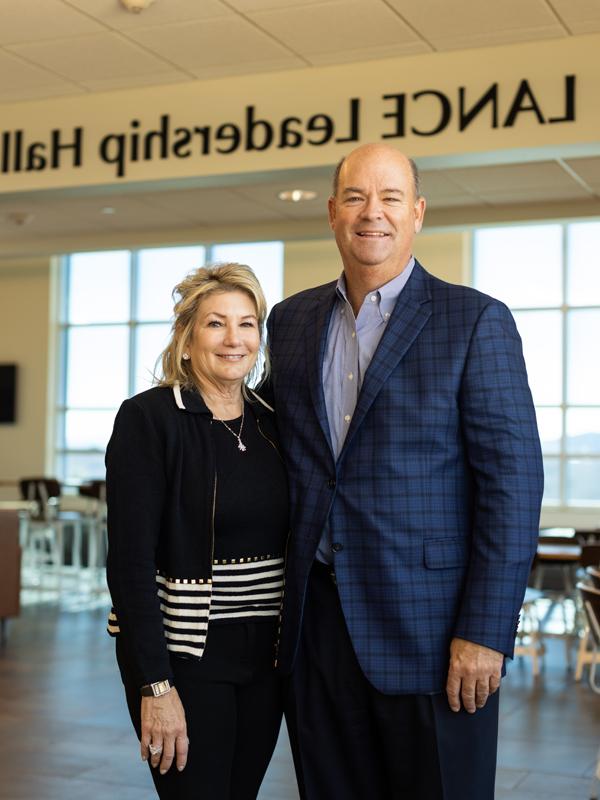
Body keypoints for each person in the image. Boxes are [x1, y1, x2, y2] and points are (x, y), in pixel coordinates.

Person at [265, 143, 544, 799]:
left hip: (434, 634)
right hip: (317, 629)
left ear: (417, 213)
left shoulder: (475, 320)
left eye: (390, 198)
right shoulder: (291, 322)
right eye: (357, 197)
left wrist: (484, 630)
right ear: (333, 212)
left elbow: (512, 486)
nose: (373, 214)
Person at [105, 263, 288, 800]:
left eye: (247, 323)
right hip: (185, 655)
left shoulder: (271, 420)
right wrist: (155, 685)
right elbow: (129, 563)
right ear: (186, 340)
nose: (234, 339)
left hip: (265, 658)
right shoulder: (151, 419)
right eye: (216, 324)